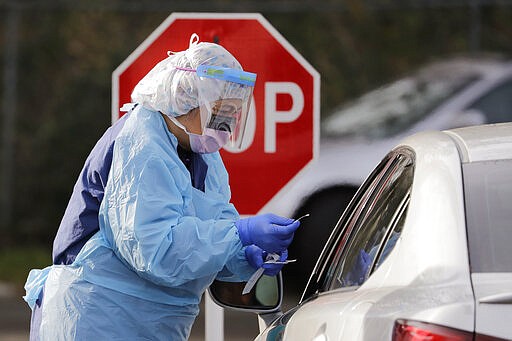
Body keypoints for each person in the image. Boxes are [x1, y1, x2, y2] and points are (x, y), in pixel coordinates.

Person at [24, 34, 300, 340]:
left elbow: (207, 237)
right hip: (97, 317)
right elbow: (154, 249)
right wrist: (239, 233)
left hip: (152, 325)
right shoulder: (140, 143)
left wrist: (244, 256)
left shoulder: (204, 159)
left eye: (234, 114)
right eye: (220, 112)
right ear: (185, 98)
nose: (227, 125)